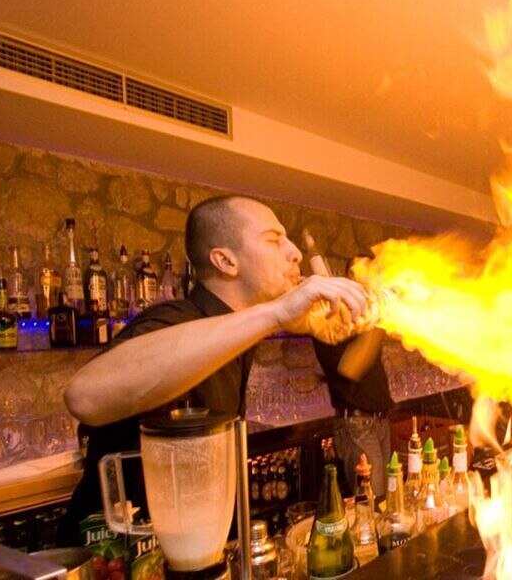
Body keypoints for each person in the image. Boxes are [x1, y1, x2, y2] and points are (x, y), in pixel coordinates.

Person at [57, 196, 371, 543]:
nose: (295, 252)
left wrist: (286, 320)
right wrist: (275, 313)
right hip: (113, 554)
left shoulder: (239, 334)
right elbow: (84, 396)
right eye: (273, 239)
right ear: (225, 261)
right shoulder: (178, 318)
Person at [311, 257, 394, 501]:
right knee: (371, 501)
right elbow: (351, 368)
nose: (371, 281)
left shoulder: (362, 319)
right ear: (349, 279)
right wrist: (379, 317)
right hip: (357, 425)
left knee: (385, 501)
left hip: (379, 420)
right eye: (363, 273)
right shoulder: (329, 316)